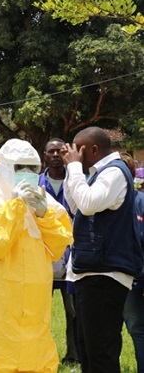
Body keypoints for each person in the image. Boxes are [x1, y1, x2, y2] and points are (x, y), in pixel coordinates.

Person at [0, 139, 72, 372]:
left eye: (33, 168)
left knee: (35, 359)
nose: (27, 174)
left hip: (35, 308)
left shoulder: (42, 200)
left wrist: (44, 215)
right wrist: (13, 207)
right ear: (4, 167)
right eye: (20, 167)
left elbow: (59, 246)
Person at [62, 127, 143, 373]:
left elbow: (87, 205)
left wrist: (75, 169)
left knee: (101, 352)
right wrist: (71, 171)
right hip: (94, 272)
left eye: (79, 149)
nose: (74, 155)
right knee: (88, 348)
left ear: (94, 149)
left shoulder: (115, 172)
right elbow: (76, 205)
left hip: (106, 274)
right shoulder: (98, 174)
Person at [39, 137, 79, 365]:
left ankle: (73, 355)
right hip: (42, 256)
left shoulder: (76, 181)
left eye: (59, 151)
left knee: (72, 311)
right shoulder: (35, 184)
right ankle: (43, 356)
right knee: (38, 311)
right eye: (51, 151)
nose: (55, 155)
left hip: (71, 256)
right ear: (44, 155)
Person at [120, 152, 144, 373]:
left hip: (135, 277)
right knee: (107, 330)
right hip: (109, 274)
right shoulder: (107, 200)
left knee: (137, 327)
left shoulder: (140, 202)